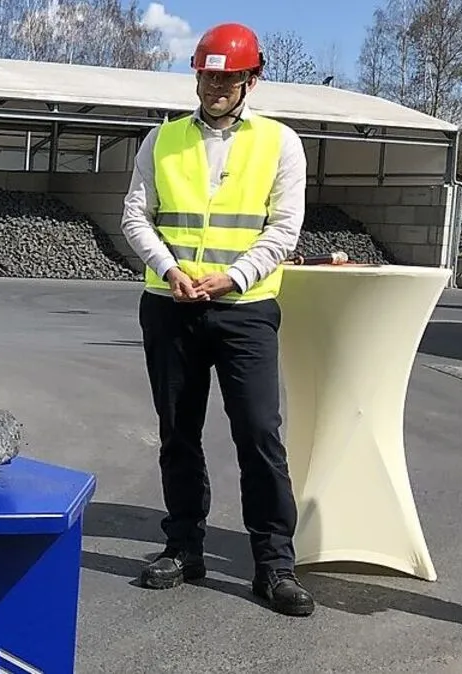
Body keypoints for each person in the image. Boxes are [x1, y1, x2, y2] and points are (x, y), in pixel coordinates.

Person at [119, 22, 315, 617]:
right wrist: (169, 268)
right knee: (178, 433)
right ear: (196, 75)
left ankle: (274, 564)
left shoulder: (280, 143)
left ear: (252, 78)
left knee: (258, 433)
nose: (216, 86)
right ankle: (183, 546)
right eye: (207, 75)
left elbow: (283, 229)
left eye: (229, 76)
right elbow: (135, 216)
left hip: (245, 312)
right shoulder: (162, 140)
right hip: (170, 306)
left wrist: (235, 277)